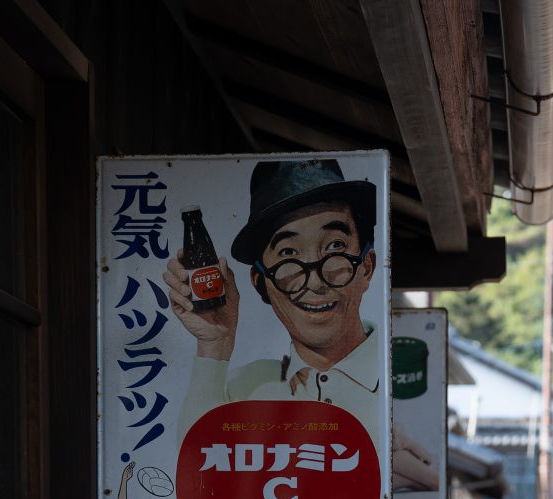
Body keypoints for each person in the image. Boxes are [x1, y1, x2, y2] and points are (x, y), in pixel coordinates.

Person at [166, 157, 387, 425]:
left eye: (335, 246)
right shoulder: (245, 388)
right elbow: (196, 458)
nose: (316, 281)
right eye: (288, 253)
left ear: (367, 267)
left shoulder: (394, 377)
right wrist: (215, 343)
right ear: (261, 282)